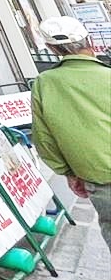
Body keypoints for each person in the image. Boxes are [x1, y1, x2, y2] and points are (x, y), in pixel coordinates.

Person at [30, 16, 111, 249]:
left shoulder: (44, 83)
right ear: (90, 41)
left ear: (52, 49)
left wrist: (68, 172)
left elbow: (44, 139)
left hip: (98, 177)